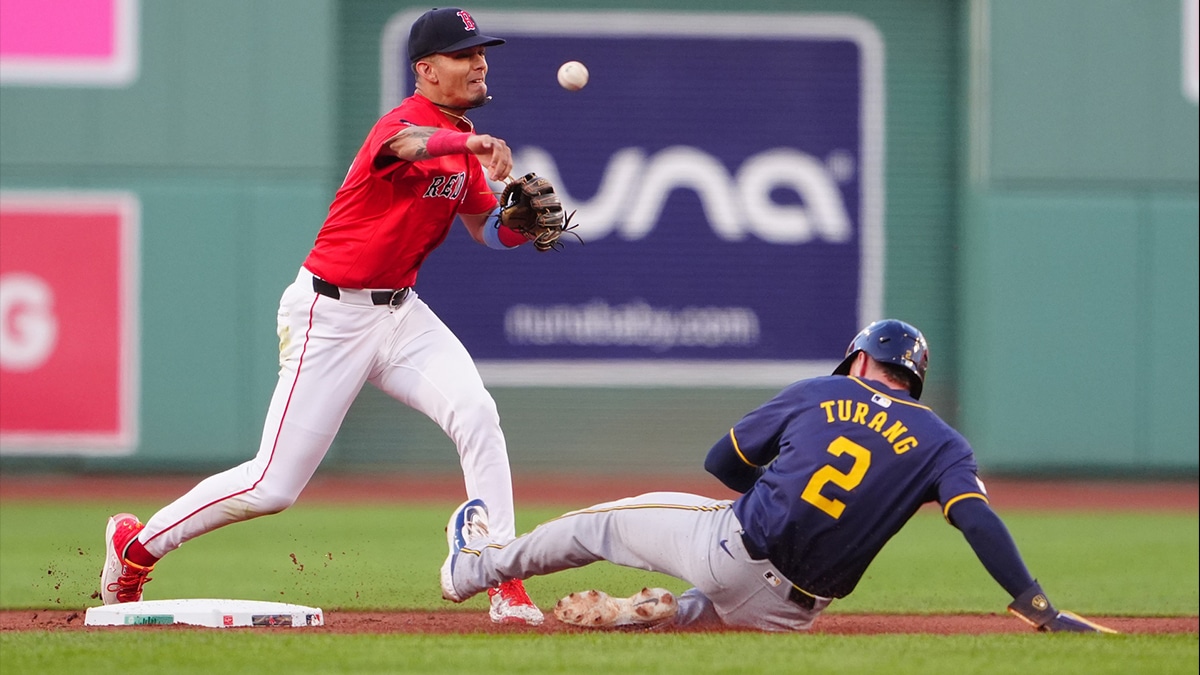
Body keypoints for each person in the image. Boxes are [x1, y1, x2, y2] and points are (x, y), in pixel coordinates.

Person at [100, 7, 550, 625]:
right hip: (330, 315)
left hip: (401, 314)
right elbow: (407, 146)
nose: (478, 62)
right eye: (462, 53)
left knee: (477, 411)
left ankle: (503, 575)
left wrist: (517, 227)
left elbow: (487, 233)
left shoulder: (465, 147)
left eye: (480, 52)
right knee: (272, 487)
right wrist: (464, 140)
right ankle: (138, 545)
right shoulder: (403, 126)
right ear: (425, 69)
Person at [438, 319, 1116, 632]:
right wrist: (1037, 604)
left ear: (855, 361)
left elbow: (721, 463)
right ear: (914, 381)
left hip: (735, 546)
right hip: (796, 612)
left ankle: (469, 570)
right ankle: (670, 612)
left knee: (595, 524)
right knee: (720, 608)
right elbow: (978, 520)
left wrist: (781, 471)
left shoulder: (819, 392)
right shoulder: (943, 443)